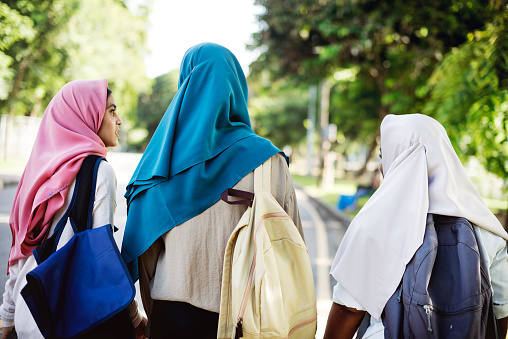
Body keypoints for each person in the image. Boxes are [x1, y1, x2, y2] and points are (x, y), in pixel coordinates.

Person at [121, 42, 304, 338]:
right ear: (237, 87)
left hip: (173, 316)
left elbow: (146, 255)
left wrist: (152, 315)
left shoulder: (161, 164)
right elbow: (291, 244)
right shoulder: (269, 161)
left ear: (186, 85)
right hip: (249, 318)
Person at [324, 113, 508, 339]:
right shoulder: (486, 227)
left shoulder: (375, 226)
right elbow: (500, 312)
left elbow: (348, 308)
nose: (382, 165)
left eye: (385, 155)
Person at [0, 79, 146, 339]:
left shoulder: (38, 172)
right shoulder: (99, 171)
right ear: (87, 116)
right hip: (70, 317)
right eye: (112, 111)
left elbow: (20, 253)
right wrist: (134, 318)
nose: (119, 120)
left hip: (31, 309)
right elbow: (103, 260)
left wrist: (8, 316)